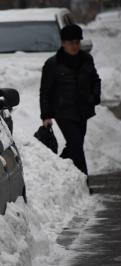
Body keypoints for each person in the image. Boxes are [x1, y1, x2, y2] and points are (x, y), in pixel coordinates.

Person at [39, 24, 101, 176]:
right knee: (76, 144)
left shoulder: (87, 59)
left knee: (74, 145)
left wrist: (94, 97)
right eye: (71, 42)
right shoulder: (52, 64)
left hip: (83, 110)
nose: (75, 46)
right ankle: (84, 181)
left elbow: (95, 79)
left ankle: (58, 169)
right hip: (63, 112)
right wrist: (46, 115)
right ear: (63, 43)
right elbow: (45, 92)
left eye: (77, 42)